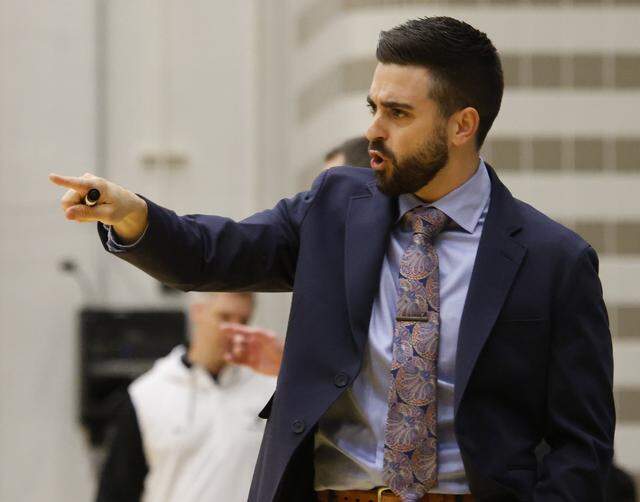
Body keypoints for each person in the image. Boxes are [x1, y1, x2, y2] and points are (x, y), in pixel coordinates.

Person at [51, 16, 614, 502]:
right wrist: (131, 214)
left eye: (397, 113)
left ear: (462, 125)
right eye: (373, 107)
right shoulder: (332, 208)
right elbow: (210, 254)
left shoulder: (555, 261)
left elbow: (581, 446)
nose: (373, 130)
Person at [96, 292, 276, 502]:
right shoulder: (146, 395)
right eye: (225, 318)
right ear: (197, 312)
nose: (236, 333)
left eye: (243, 321)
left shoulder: (270, 391)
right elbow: (116, 492)